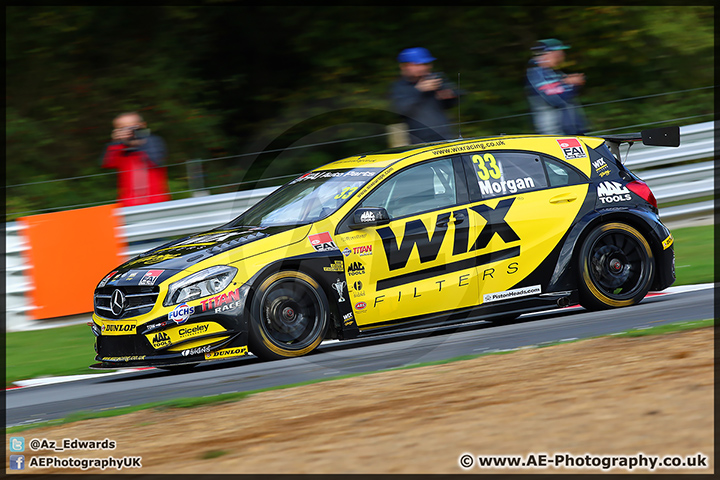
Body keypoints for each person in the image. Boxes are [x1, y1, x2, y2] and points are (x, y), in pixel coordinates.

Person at [390, 47, 458, 144]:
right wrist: (419, 91)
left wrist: (449, 95)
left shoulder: (435, 79)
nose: (423, 68)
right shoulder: (399, 87)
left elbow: (453, 101)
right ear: (404, 67)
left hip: (445, 137)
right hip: (420, 142)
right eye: (418, 65)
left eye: (425, 64)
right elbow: (401, 111)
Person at [101, 112, 171, 207]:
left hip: (157, 203)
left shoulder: (153, 141)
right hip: (128, 205)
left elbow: (156, 160)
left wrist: (138, 142)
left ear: (142, 125)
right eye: (122, 128)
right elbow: (108, 163)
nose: (128, 131)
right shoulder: (119, 148)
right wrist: (116, 143)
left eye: (132, 126)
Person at [525, 38, 587, 135]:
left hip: (571, 132)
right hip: (557, 135)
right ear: (549, 54)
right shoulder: (538, 74)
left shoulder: (551, 73)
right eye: (560, 52)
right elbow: (558, 99)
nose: (563, 55)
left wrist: (569, 83)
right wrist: (571, 84)